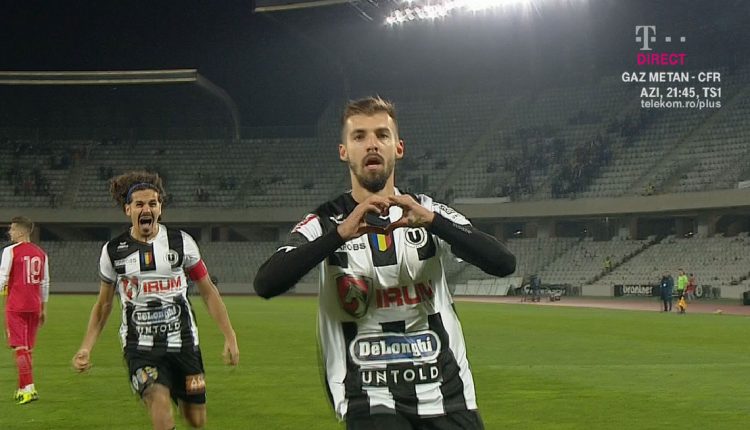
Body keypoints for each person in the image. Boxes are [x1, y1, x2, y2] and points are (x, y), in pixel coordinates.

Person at [254, 97, 516, 430]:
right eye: (359, 136)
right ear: (344, 151)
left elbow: (503, 263)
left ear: (398, 148)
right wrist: (339, 234)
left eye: (382, 134)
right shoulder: (324, 222)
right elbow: (266, 283)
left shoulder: (426, 211)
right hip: (368, 396)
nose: (372, 144)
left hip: (448, 393)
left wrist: (434, 222)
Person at [72, 171, 239, 430]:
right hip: (140, 348)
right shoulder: (113, 251)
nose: (146, 209)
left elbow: (208, 291)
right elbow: (103, 305)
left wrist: (230, 335)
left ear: (160, 208)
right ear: (128, 209)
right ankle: (159, 392)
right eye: (139, 204)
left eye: (152, 203)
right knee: (159, 406)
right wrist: (86, 347)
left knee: (196, 419)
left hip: (184, 344)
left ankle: (178, 393)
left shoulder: (182, 243)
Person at [0, 216, 49, 405]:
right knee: (27, 349)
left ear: (21, 231)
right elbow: (44, 283)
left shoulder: (10, 251)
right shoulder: (41, 253)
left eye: (12, 229)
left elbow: (3, 277)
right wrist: (43, 308)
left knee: (20, 348)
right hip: (34, 306)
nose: (10, 232)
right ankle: (23, 388)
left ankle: (29, 388)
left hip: (16, 305)